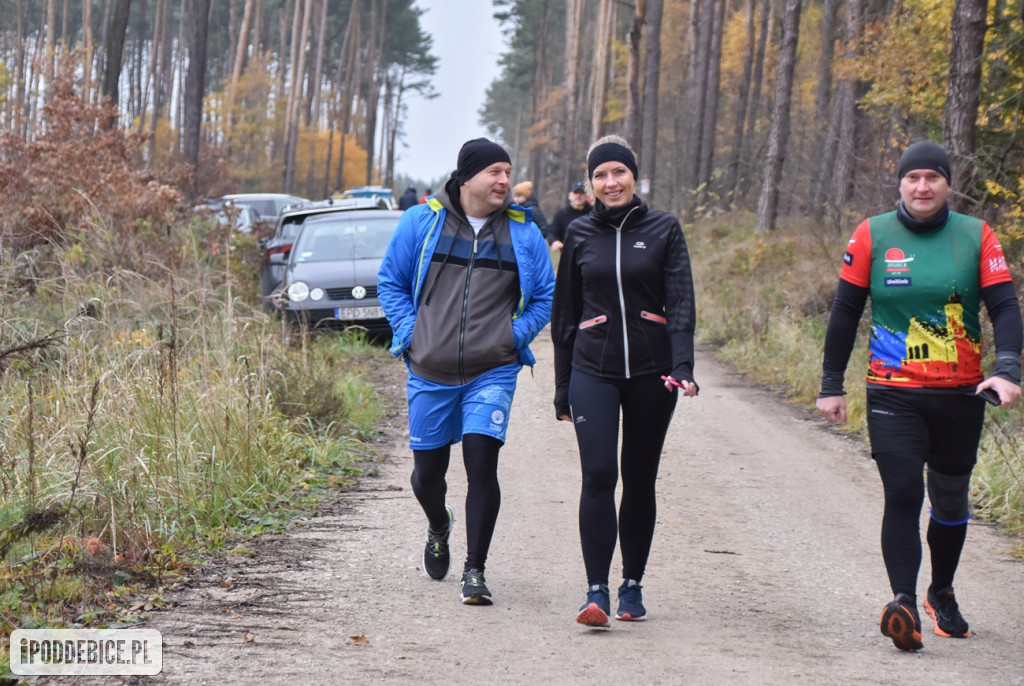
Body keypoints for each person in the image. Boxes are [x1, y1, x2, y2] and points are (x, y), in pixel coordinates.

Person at [816, 141, 1022, 651]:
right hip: (893, 391)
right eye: (913, 178)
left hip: (961, 392)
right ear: (900, 184)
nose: (922, 187)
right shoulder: (872, 234)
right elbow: (844, 313)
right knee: (905, 491)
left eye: (933, 178)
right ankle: (903, 602)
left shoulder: (976, 236)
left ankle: (941, 591)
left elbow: (1005, 306)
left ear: (948, 184)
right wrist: (830, 384)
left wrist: (1008, 369)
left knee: (949, 497)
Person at [378, 138, 555, 606]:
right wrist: (412, 331)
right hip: (429, 368)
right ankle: (439, 524)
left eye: (508, 172)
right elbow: (391, 281)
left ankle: (475, 571)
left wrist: (513, 337)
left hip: (491, 369)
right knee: (426, 477)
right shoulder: (423, 221)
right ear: (468, 176)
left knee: (482, 461)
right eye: (495, 172)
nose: (504, 181)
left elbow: (545, 296)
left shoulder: (523, 231)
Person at [551, 135, 698, 627]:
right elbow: (565, 313)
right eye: (600, 175)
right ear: (590, 183)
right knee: (598, 475)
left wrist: (682, 368)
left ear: (634, 177)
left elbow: (680, 302)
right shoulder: (578, 233)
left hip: (652, 374)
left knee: (639, 479)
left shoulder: (663, 229)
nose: (610, 182)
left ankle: (631, 584)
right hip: (593, 370)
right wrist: (561, 384)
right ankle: (596, 591)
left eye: (618, 173)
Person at [547, 182, 592, 251]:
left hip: (589, 253)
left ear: (586, 196)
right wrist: (554, 242)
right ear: (569, 195)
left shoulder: (593, 212)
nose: (578, 195)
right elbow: (552, 232)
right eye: (575, 193)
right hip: (568, 255)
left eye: (581, 193)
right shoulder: (561, 214)